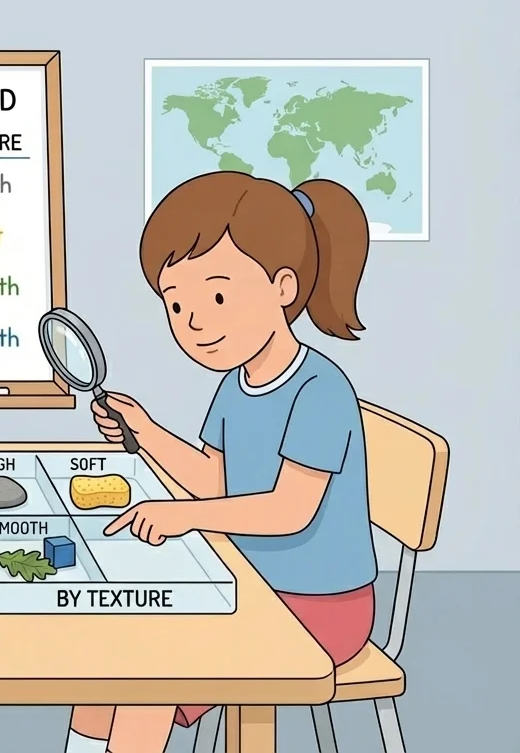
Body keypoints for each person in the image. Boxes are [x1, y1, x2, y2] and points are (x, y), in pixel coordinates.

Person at [67, 171, 377, 753]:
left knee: (151, 673)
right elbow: (215, 481)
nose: (194, 321)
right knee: (106, 653)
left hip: (319, 606)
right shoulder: (237, 385)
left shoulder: (320, 390)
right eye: (175, 304)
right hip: (248, 585)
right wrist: (147, 433)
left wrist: (186, 517)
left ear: (283, 286)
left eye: (215, 296)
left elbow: (290, 511)